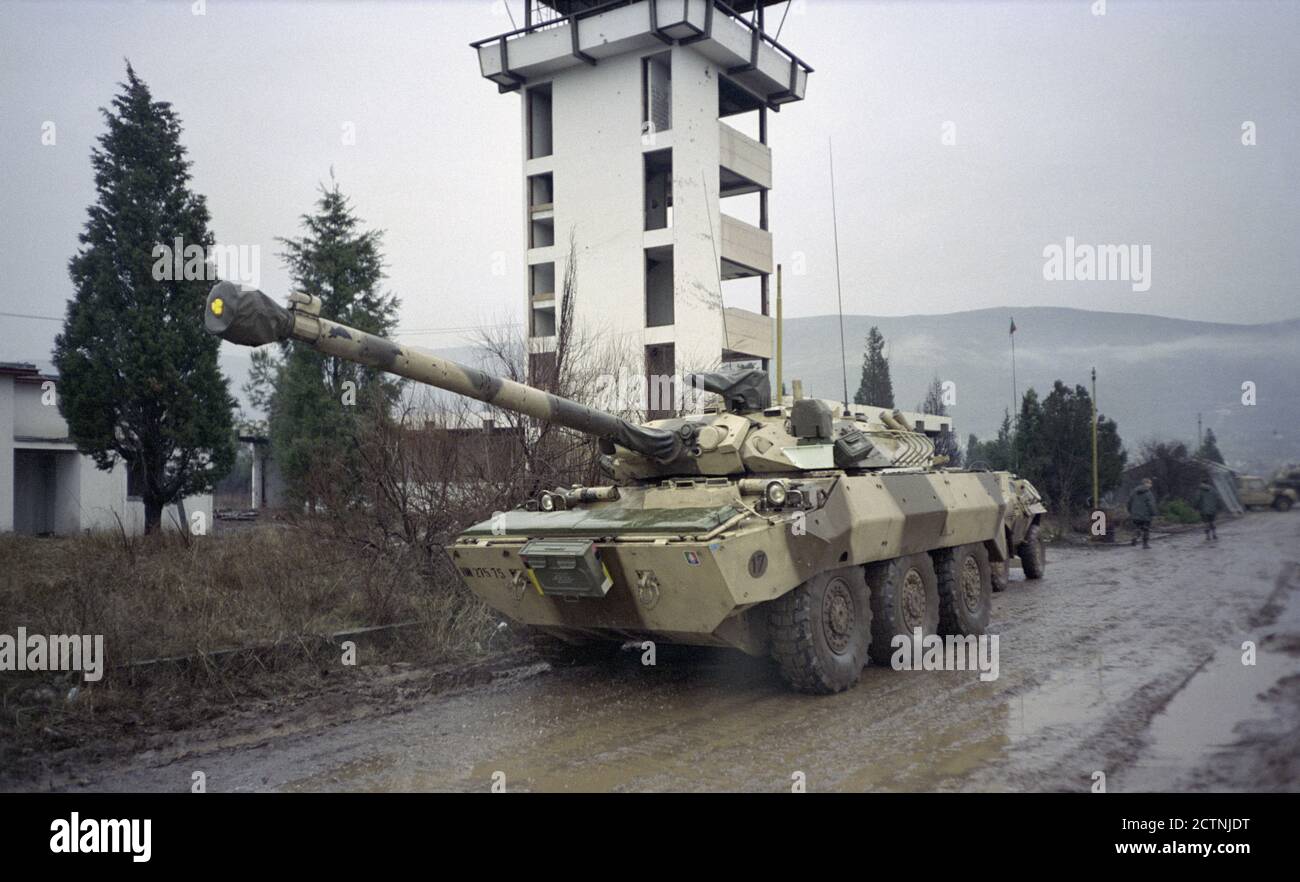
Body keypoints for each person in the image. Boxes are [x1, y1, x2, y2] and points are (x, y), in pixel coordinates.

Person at [1128, 478, 1157, 549]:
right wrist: (1153, 513)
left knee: (1138, 527)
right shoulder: (1148, 493)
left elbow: (1129, 502)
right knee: (1146, 529)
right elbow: (1151, 505)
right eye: (1150, 483)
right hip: (1146, 515)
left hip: (1135, 515)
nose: (1151, 485)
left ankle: (1135, 536)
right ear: (1146, 483)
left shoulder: (1134, 492)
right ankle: (1145, 544)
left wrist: (1131, 511)